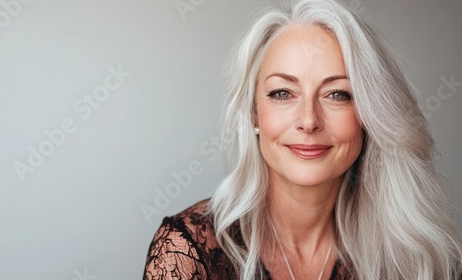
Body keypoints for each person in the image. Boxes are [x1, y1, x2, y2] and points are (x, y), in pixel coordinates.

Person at [143, 0, 462, 279]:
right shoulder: (187, 250)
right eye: (282, 93)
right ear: (254, 113)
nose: (309, 120)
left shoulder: (426, 255)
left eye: (338, 94)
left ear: (370, 114)